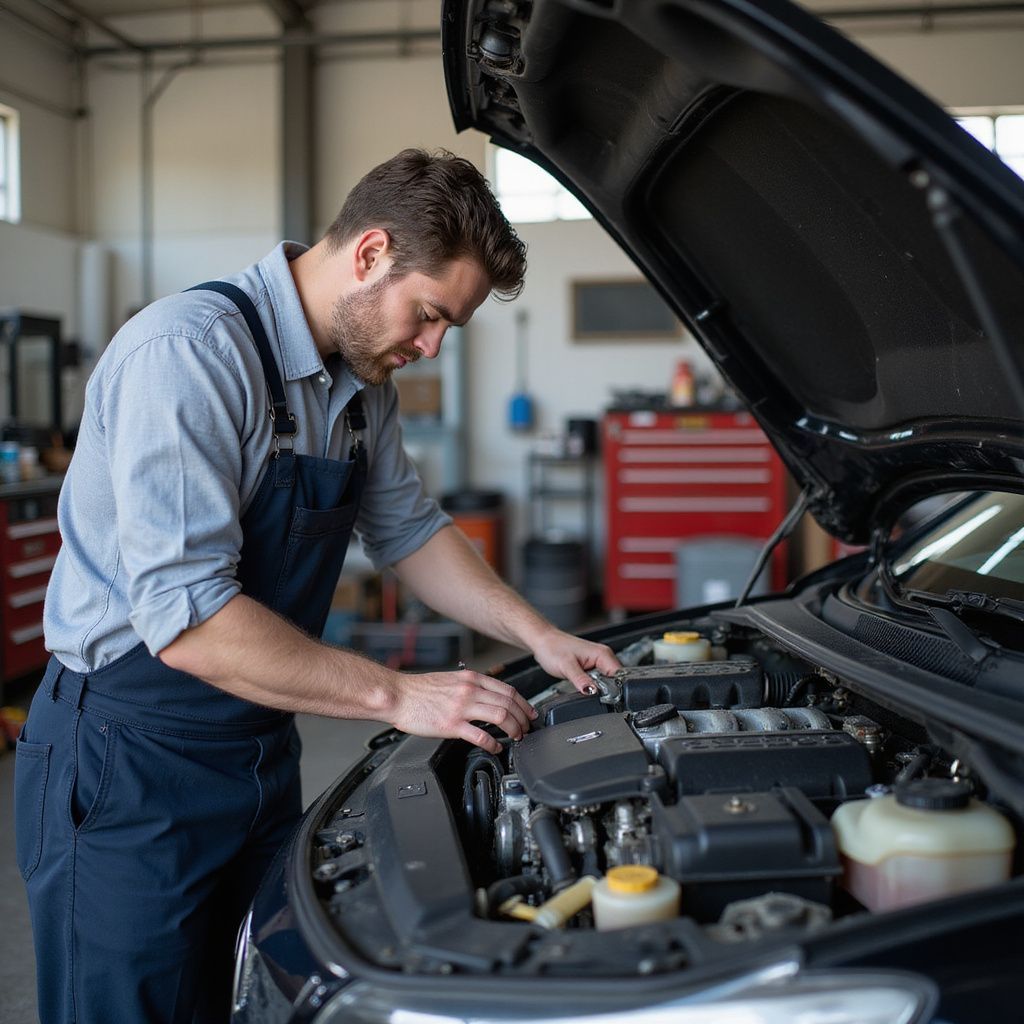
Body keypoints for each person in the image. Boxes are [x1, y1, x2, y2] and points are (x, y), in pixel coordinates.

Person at [15, 148, 620, 1024]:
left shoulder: (362, 388)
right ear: (370, 253)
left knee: (253, 996)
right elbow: (189, 621)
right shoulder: (190, 354)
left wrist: (539, 633)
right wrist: (399, 694)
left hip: (259, 748)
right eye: (429, 315)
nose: (431, 346)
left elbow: (411, 531)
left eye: (447, 328)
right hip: (129, 760)